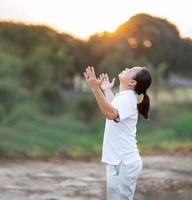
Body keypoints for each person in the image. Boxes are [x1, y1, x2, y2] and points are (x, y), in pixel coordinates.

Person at [84, 66, 152, 200]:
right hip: (121, 162)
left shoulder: (128, 99)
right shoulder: (125, 97)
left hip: (122, 162)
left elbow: (110, 113)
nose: (127, 68)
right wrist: (107, 90)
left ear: (132, 82)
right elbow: (114, 109)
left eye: (131, 70)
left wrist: (95, 88)